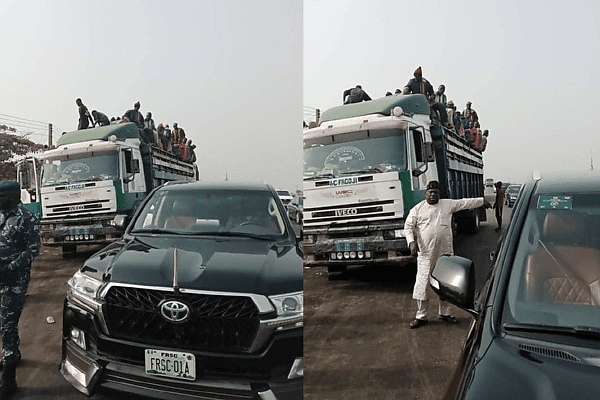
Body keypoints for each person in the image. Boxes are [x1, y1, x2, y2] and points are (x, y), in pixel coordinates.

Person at [404, 180, 491, 329]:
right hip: (425, 254)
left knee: (445, 284)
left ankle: (445, 313)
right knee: (422, 284)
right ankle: (421, 315)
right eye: (430, 192)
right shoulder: (417, 209)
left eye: (435, 192)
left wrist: (481, 201)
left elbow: (464, 203)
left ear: (439, 194)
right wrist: (411, 242)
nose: (432, 195)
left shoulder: (447, 204)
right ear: (425, 194)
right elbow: (408, 226)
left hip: (444, 253)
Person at [0, 180, 41, 398]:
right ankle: (12, 354)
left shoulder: (27, 218)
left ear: (14, 196)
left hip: (14, 280)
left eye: (2, 197)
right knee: (3, 323)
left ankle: (9, 376)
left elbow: (33, 249)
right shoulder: (0, 214)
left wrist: (11, 268)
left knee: (7, 323)